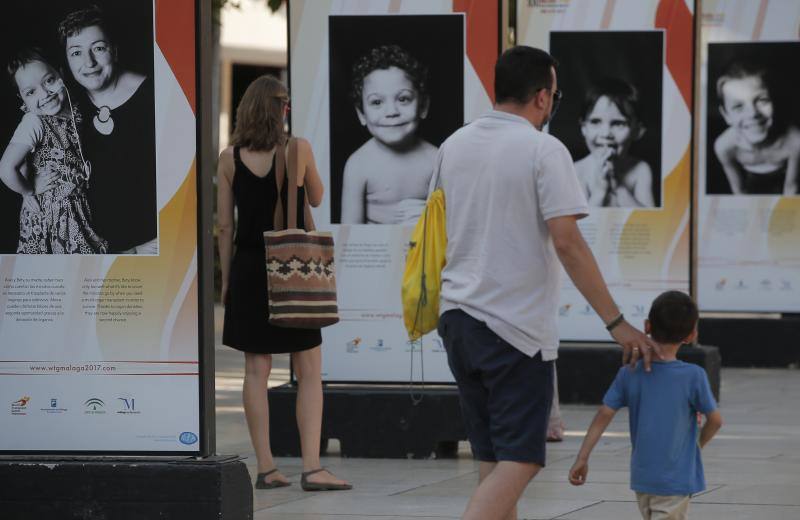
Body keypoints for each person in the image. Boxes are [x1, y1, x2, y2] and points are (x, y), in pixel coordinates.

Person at [434, 46, 658, 520]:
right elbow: (568, 242)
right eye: (554, 98)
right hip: (511, 328)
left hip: (458, 318)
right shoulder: (543, 149)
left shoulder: (455, 144)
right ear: (542, 97)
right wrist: (616, 322)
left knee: (493, 462)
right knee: (523, 459)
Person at [217, 75, 350, 491]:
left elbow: (225, 226)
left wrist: (226, 282)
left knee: (255, 371)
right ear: (282, 110)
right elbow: (316, 197)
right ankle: (312, 467)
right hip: (292, 268)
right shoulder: (298, 149)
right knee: (308, 369)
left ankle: (267, 467)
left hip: (249, 268)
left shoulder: (228, 158)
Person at [569, 291, 723, 520]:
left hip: (643, 478)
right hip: (676, 479)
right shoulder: (694, 376)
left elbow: (604, 414)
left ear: (647, 326)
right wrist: (697, 445)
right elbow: (716, 420)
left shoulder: (629, 372)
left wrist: (582, 457)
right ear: (691, 334)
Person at [54, 6, 158, 253]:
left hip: (150, 254)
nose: (88, 62)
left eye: (98, 48)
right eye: (76, 52)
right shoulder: (68, 105)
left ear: (115, 49)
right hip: (92, 257)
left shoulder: (154, 96)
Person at [0, 48, 107, 254]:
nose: (45, 94)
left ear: (61, 74)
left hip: (78, 204)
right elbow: (6, 168)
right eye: (31, 92)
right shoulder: (34, 121)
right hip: (53, 211)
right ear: (22, 98)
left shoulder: (75, 108)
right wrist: (28, 191)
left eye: (49, 81)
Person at [340, 44, 437, 224]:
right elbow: (349, 233)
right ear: (361, 114)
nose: (391, 111)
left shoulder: (436, 160)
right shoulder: (358, 165)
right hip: (375, 252)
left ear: (423, 106)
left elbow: (457, 221)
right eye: (377, 102)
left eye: (403, 99)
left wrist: (433, 216)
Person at [713, 59, 800, 195]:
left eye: (762, 100)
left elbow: (791, 188)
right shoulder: (724, 146)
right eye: (738, 106)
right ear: (726, 115)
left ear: (774, 101)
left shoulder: (794, 141)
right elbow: (739, 190)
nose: (752, 113)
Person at [574, 78, 655, 207]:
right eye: (595, 122)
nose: (606, 133)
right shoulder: (577, 170)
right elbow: (580, 225)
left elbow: (649, 223)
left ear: (637, 131)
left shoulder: (640, 170)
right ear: (583, 128)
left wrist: (618, 187)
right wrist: (600, 192)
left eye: (618, 123)